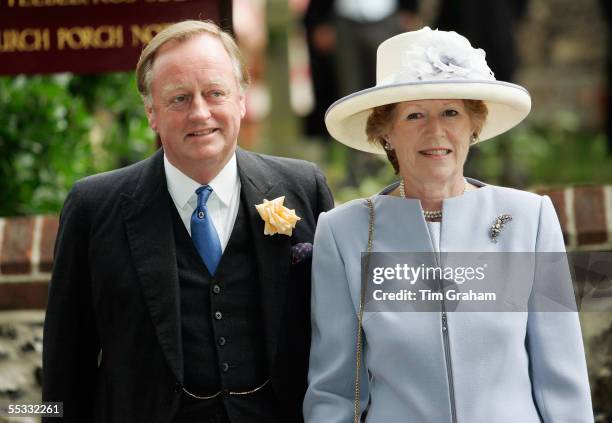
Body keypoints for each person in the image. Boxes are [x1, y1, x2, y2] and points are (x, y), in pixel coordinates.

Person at [42, 20, 334, 423]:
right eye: (179, 99)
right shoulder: (93, 207)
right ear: (151, 113)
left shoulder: (303, 187)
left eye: (215, 93)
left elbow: (337, 339)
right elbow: (63, 366)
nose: (200, 113)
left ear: (242, 100)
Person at [303, 27, 593, 422]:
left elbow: (563, 378)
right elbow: (335, 389)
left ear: (474, 125)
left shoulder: (530, 219)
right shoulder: (344, 233)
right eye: (414, 115)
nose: (435, 131)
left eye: (451, 112)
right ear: (385, 131)